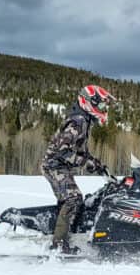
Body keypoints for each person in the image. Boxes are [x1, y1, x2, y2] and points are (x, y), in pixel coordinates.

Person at [41, 84, 113, 253]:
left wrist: (96, 165)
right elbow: (63, 150)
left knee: (72, 200)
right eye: (101, 105)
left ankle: (65, 232)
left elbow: (80, 151)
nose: (103, 109)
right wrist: (86, 163)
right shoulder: (77, 122)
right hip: (54, 165)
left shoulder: (84, 121)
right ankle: (58, 244)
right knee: (73, 198)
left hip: (61, 166)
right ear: (89, 103)